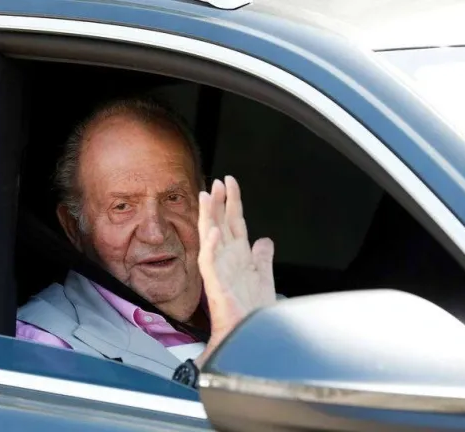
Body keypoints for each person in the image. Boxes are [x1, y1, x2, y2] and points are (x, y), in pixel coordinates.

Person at [16, 97, 279, 382]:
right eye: (122, 207)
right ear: (74, 227)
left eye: (174, 198)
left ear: (203, 202)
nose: (155, 233)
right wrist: (229, 353)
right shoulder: (45, 346)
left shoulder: (259, 304)